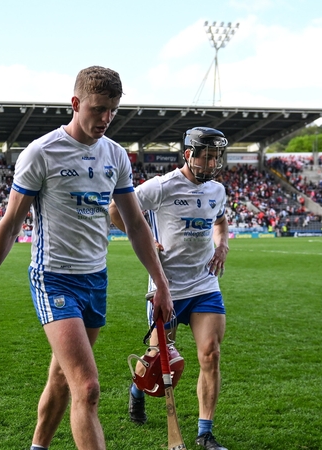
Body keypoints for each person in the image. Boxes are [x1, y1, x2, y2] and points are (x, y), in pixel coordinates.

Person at [0, 66, 173, 450]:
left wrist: (161, 284)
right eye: (98, 109)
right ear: (76, 104)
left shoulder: (116, 156)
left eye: (113, 110)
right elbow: (11, 225)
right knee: (88, 387)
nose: (106, 119)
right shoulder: (41, 153)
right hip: (53, 278)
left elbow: (136, 224)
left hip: (96, 279)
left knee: (62, 378)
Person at [109, 126, 230, 450]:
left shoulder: (217, 190)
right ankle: (137, 391)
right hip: (167, 287)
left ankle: (205, 433)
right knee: (158, 359)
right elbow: (114, 210)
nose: (213, 163)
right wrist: (147, 239)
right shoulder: (161, 186)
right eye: (207, 156)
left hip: (205, 284)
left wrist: (222, 246)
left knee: (211, 354)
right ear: (189, 155)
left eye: (217, 156)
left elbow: (220, 222)